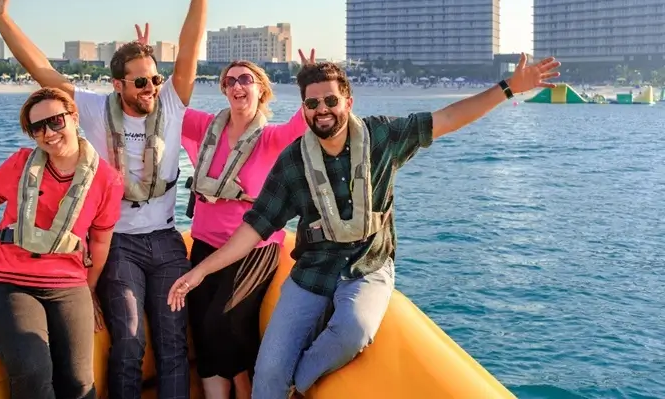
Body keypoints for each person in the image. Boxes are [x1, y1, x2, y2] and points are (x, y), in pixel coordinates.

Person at [167, 54, 561, 398]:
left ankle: (295, 383)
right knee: (266, 374)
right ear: (303, 109)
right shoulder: (292, 162)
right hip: (312, 272)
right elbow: (253, 229)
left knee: (352, 331)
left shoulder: (382, 137)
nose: (322, 109)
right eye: (313, 103)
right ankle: (281, 384)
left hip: (368, 267)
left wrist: (509, 87)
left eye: (331, 101)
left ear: (348, 101)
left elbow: (449, 117)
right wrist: (199, 271)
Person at [0, 0, 214, 399]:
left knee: (171, 338)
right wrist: (2, 20)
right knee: (127, 340)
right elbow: (42, 70)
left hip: (165, 240)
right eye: (140, 81)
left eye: (154, 79)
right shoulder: (89, 109)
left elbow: (189, 50)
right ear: (118, 83)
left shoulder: (171, 102)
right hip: (118, 242)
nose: (150, 88)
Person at [0, 89, 124, 399]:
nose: (48, 133)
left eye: (56, 121)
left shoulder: (107, 180)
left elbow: (100, 243)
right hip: (9, 284)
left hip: (68, 286)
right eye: (37, 128)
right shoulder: (20, 164)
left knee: (79, 384)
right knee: (35, 373)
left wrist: (90, 290)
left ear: (74, 117)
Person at [178, 50, 314, 399]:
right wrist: (146, 63)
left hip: (253, 249)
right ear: (224, 89)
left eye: (246, 79)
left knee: (221, 321)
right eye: (230, 81)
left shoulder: (270, 139)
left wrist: (308, 77)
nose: (237, 86)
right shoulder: (206, 128)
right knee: (201, 325)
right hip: (206, 245)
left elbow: (303, 124)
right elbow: (169, 108)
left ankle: (244, 384)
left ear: (261, 91)